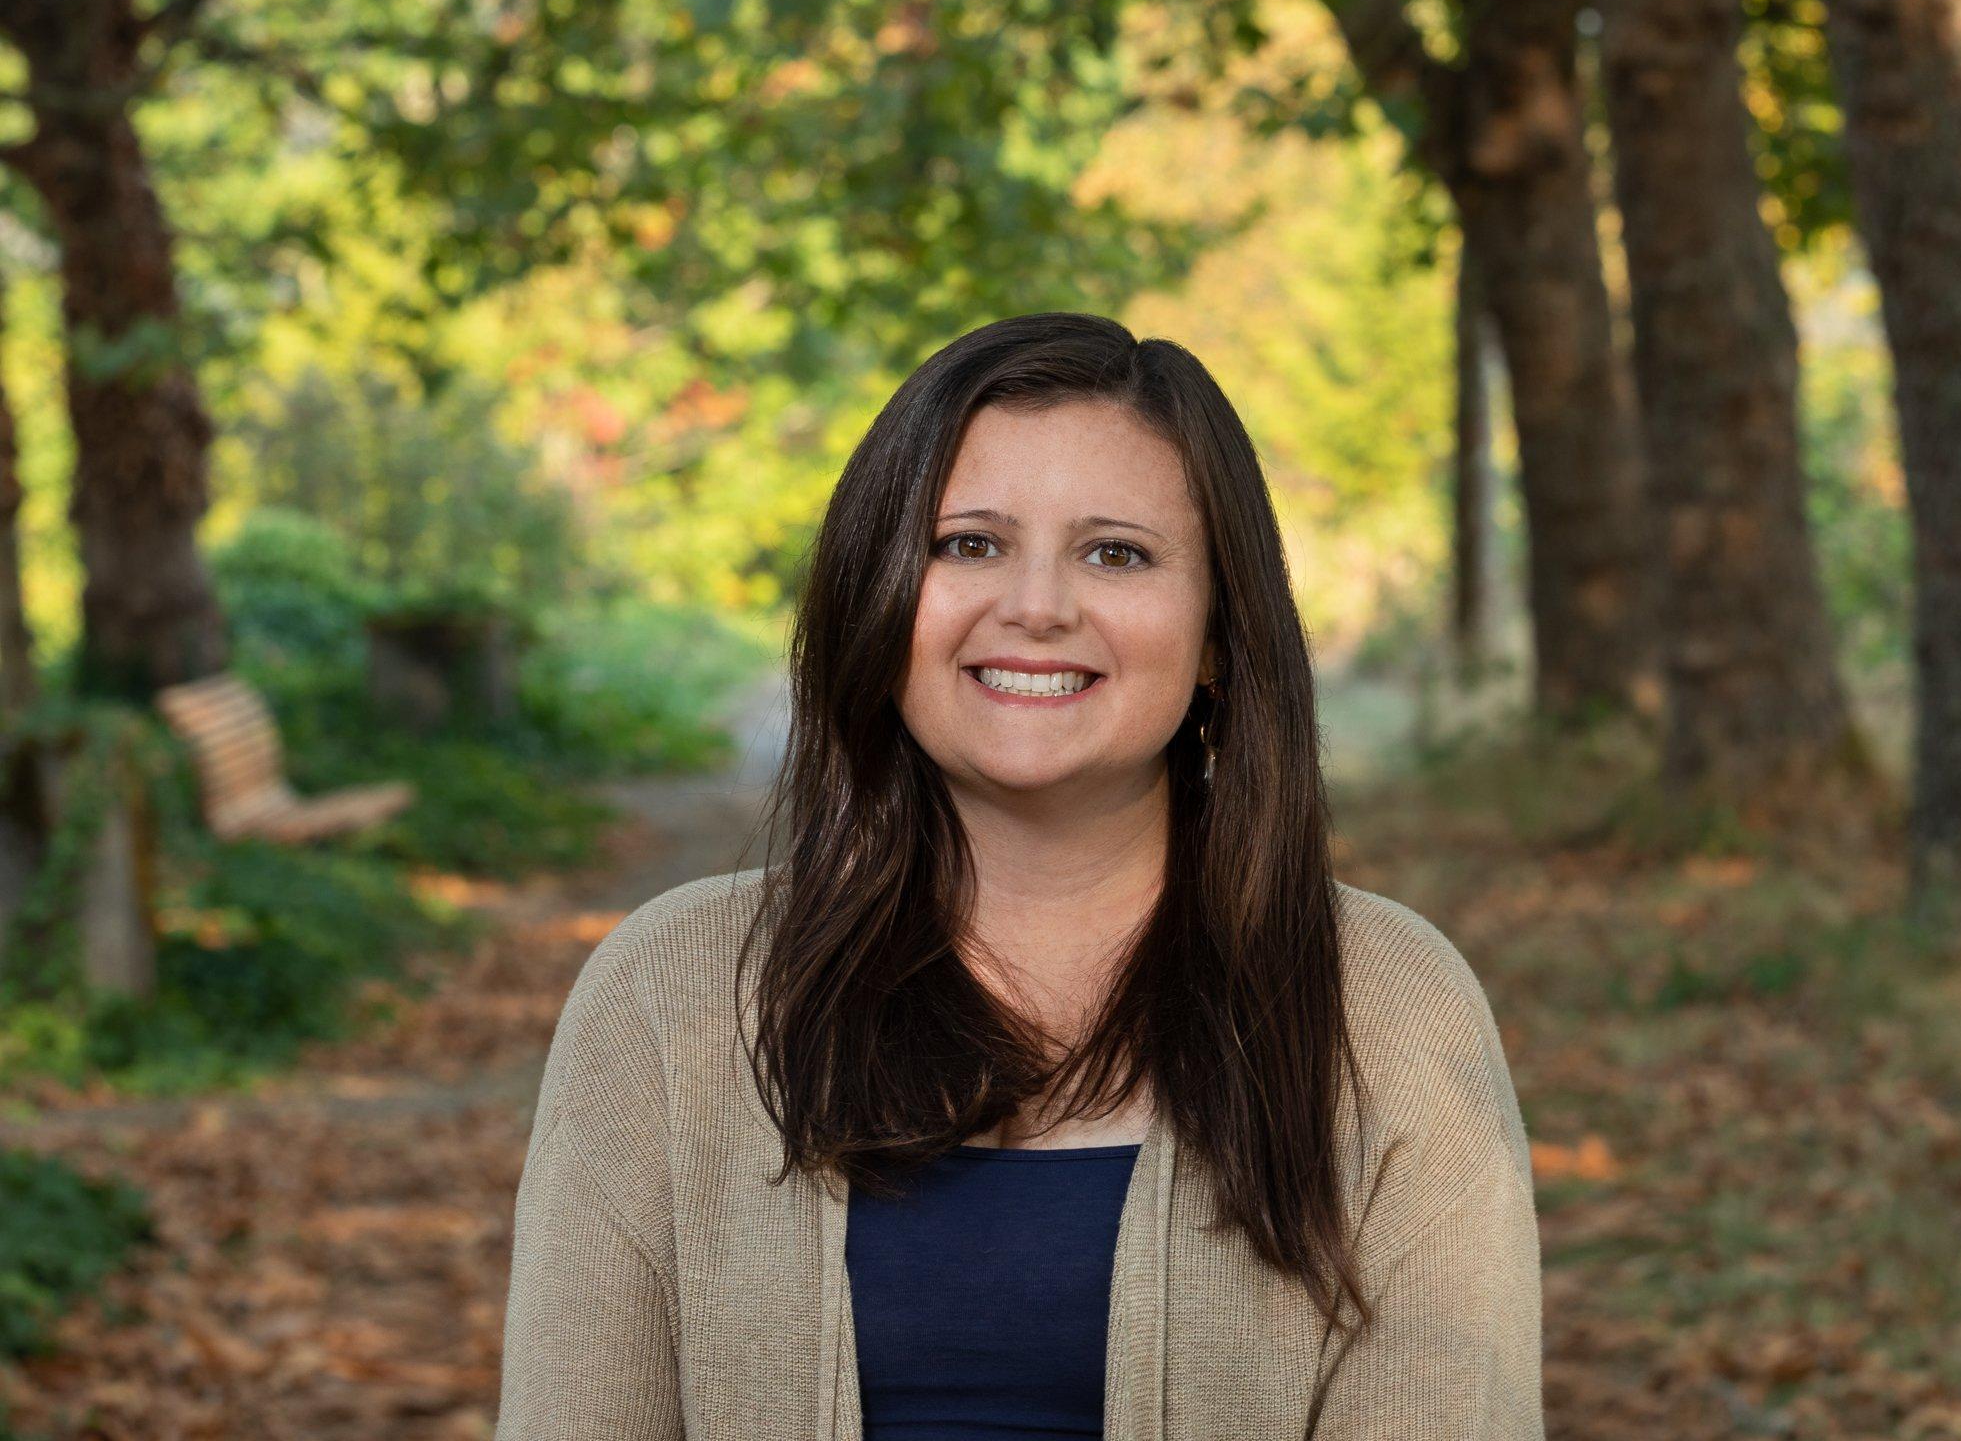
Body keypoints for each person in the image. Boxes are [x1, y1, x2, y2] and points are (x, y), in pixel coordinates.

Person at [495, 312, 1544, 1439]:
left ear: (1216, 641)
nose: (1036, 606)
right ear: (877, 597)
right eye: (968, 545)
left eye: (1115, 552)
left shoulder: (1382, 1009)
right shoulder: (669, 998)